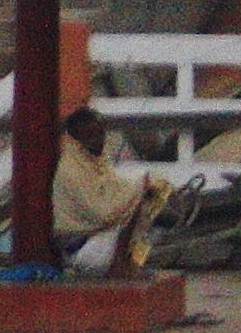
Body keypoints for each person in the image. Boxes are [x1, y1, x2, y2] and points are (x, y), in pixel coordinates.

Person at [51, 105, 166, 270]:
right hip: (82, 249)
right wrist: (139, 189)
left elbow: (119, 187)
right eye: (89, 136)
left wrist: (149, 185)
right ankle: (119, 266)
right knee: (136, 207)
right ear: (75, 140)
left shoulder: (98, 163)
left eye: (100, 134)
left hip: (101, 240)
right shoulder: (71, 170)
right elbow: (104, 214)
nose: (98, 141)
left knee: (148, 203)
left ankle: (131, 263)